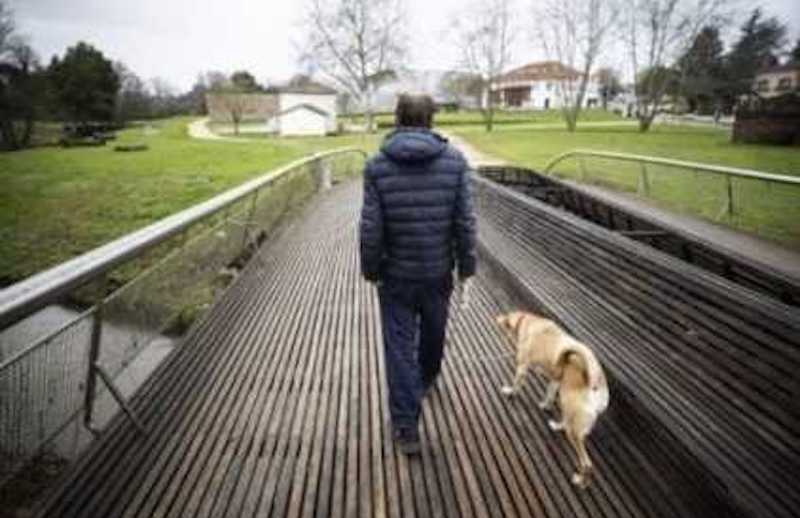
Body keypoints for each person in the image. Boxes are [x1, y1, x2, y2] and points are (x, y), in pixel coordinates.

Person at [359, 93, 477, 455]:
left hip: (395, 275)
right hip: (437, 271)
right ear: (430, 120)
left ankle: (406, 427)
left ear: (397, 119)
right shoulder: (455, 163)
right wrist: (466, 268)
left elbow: (370, 227)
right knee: (433, 332)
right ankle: (426, 379)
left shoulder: (377, 164)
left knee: (398, 347)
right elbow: (464, 221)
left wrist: (371, 269)